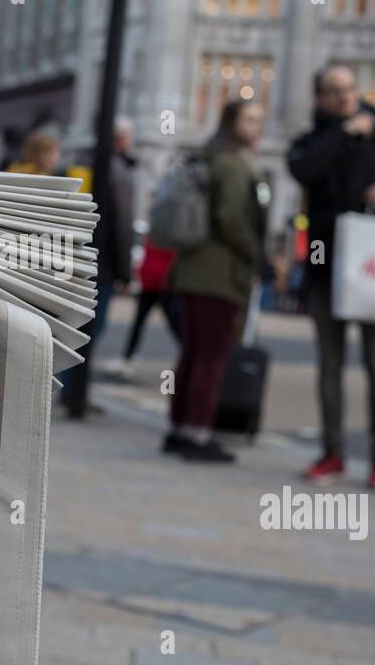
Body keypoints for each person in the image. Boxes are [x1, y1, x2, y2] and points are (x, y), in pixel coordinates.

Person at [287, 64, 375, 493]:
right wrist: (342, 134)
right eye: (334, 91)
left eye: (350, 89)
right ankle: (332, 453)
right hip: (326, 265)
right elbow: (304, 171)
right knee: (329, 365)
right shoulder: (313, 141)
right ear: (320, 99)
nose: (345, 97)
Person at [164, 100, 262, 461]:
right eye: (251, 120)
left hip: (191, 270)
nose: (257, 127)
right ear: (232, 122)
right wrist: (254, 255)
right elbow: (231, 218)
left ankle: (179, 428)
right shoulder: (232, 164)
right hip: (219, 275)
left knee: (191, 354)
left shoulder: (206, 156)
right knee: (212, 357)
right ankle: (198, 434)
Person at [62, 116, 138, 417]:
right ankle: (72, 391)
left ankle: (70, 389)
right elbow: (122, 224)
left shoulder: (81, 164)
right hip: (102, 263)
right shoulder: (118, 171)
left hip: (77, 258)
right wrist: (125, 270)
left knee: (74, 325)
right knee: (92, 328)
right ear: (120, 139)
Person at [102, 236, 180, 380]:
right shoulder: (158, 228)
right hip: (151, 282)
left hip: (163, 283)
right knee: (139, 323)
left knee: (175, 324)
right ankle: (127, 358)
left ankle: (189, 356)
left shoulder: (167, 229)